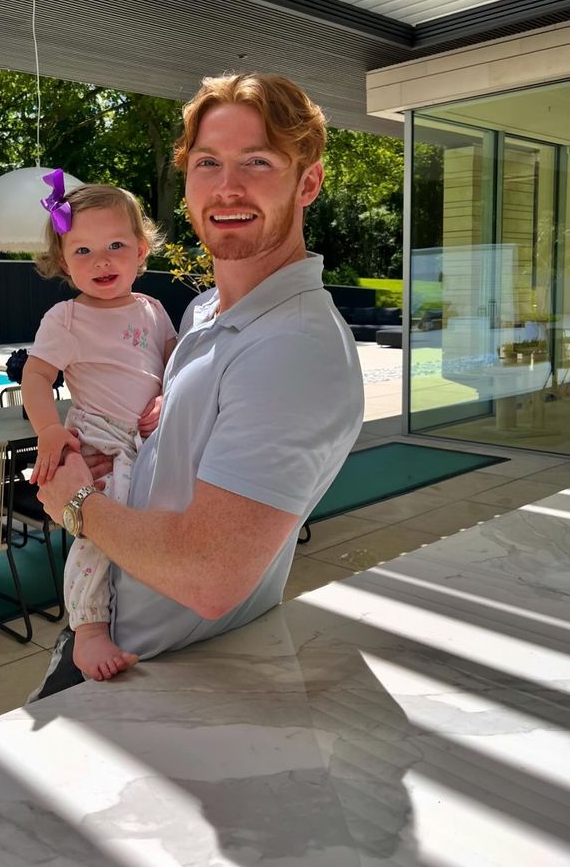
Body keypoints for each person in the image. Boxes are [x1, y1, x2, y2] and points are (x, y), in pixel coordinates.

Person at [31, 71, 365, 700]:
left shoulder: (291, 348)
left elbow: (210, 573)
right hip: (124, 627)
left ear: (308, 182)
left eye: (257, 162)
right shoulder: (206, 312)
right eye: (207, 162)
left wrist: (78, 506)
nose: (227, 186)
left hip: (161, 670)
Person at [21, 178, 177, 681]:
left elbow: (174, 364)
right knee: (98, 526)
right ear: (65, 262)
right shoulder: (66, 318)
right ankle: (87, 626)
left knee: (151, 521)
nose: (101, 261)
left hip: (148, 438)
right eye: (83, 250)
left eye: (115, 246)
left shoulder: (152, 310)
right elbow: (37, 376)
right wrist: (47, 428)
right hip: (101, 437)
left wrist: (164, 395)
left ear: (141, 250)